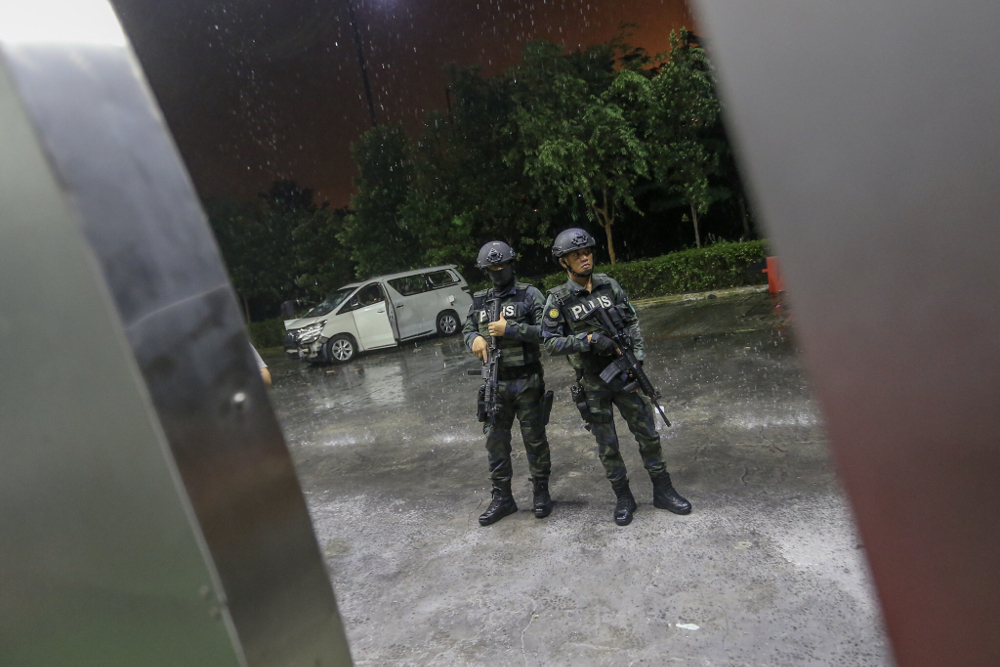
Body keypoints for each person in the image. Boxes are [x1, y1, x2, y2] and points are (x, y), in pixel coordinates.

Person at [541, 228, 690, 526]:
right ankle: (624, 497)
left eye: (587, 253)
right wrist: (589, 340)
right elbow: (550, 342)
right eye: (576, 255)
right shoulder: (558, 300)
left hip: (624, 374)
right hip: (594, 383)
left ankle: (663, 490)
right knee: (607, 445)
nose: (584, 258)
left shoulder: (610, 285)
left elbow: (632, 321)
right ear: (563, 263)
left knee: (648, 434)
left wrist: (636, 358)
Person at [462, 241, 554, 526]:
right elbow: (466, 329)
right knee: (495, 443)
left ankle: (541, 492)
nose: (498, 271)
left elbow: (548, 332)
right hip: (495, 383)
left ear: (512, 264)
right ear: (485, 270)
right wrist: (473, 339)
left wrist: (510, 329)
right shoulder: (480, 301)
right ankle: (503, 498)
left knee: (535, 440)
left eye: (502, 265)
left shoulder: (529, 295)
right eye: (492, 267)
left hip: (527, 381)